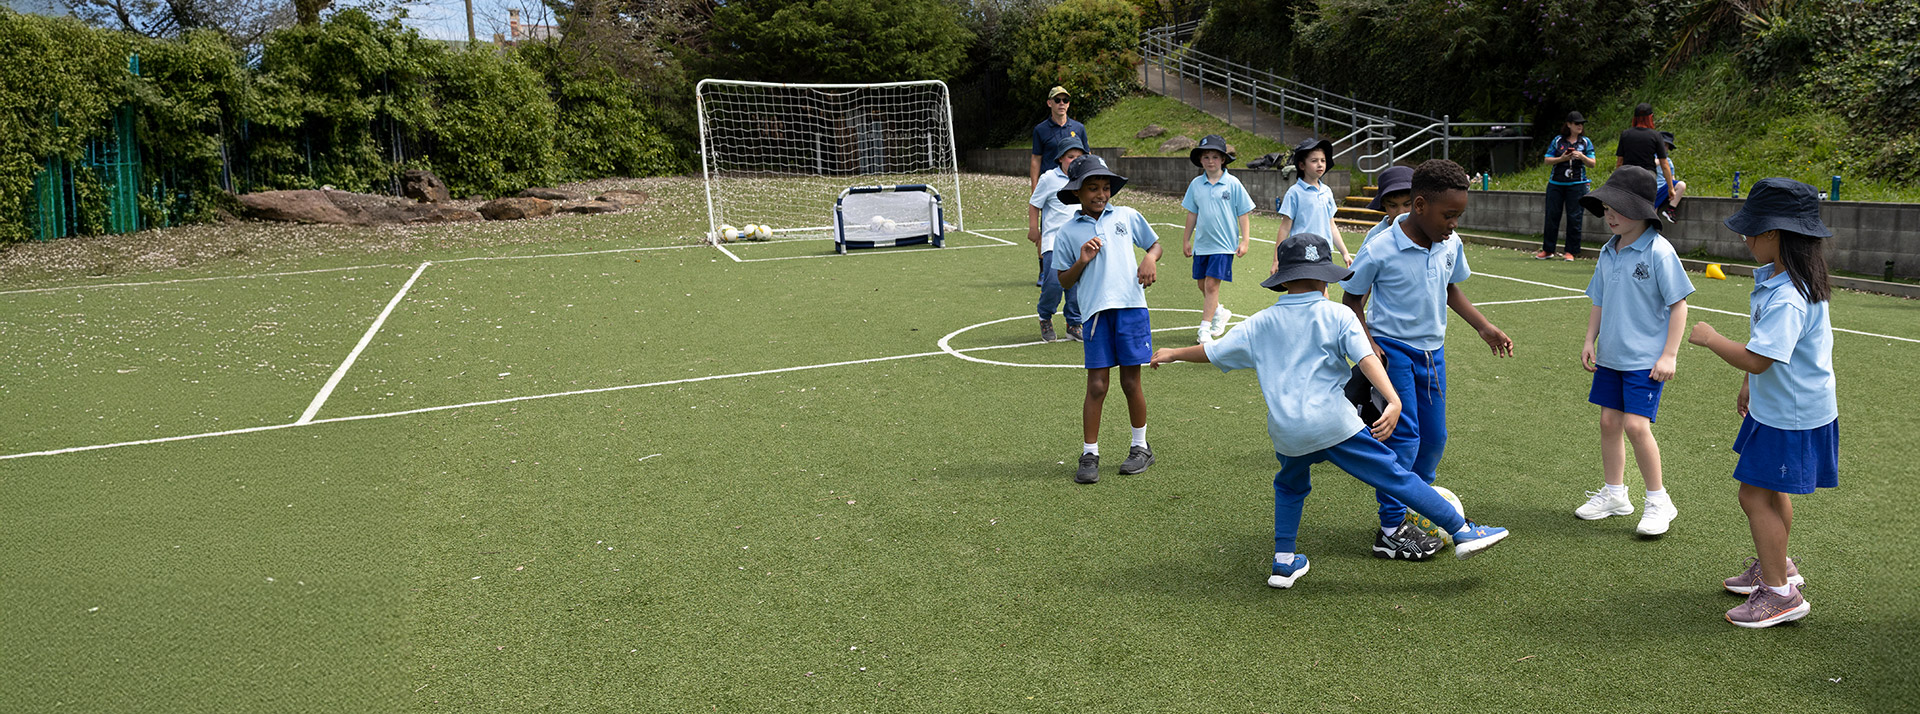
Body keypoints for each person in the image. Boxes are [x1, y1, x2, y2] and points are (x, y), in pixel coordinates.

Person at [1148, 233, 1511, 588]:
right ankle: (1463, 531)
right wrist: (1395, 400)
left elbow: (1212, 352)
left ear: (1283, 280)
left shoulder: (1260, 323)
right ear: (1326, 278)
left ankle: (1284, 563)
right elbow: (1367, 359)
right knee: (1395, 476)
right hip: (1334, 426)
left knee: (1290, 487)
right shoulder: (1338, 315)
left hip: (1288, 432)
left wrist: (1173, 353)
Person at [1339, 159, 1515, 560]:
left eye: (1459, 215)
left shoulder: (1451, 243)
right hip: (1392, 351)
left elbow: (1451, 290)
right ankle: (1390, 527)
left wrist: (1484, 327)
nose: (1454, 223)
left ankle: (1418, 508)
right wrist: (1369, 344)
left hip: (1433, 354)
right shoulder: (1381, 247)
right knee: (1405, 438)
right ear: (1419, 205)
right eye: (1448, 215)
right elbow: (1352, 299)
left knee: (1435, 438)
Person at [1686, 178, 1837, 628]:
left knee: (1754, 495)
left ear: (1773, 234)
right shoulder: (1784, 280)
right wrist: (1751, 386)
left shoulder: (1789, 296)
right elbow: (1772, 356)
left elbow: (1758, 357)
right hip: (1782, 408)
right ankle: (1778, 564)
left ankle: (1778, 593)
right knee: (1770, 492)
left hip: (1790, 417)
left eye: (1750, 230)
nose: (1744, 237)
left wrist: (1712, 340)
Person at [1571, 165, 1694, 536]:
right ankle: (1615, 495)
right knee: (1609, 422)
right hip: (1611, 356)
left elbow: (1679, 304)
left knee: (1636, 426)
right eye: (1606, 207)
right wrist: (1590, 339)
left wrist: (1669, 354)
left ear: (1642, 211)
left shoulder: (1659, 250)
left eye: (1617, 208)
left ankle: (1659, 501)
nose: (1609, 214)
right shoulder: (1608, 251)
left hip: (1645, 361)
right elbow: (1600, 300)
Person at [1054, 154, 1163, 484]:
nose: (1100, 194)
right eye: (1092, 188)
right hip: (1096, 316)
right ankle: (1089, 454)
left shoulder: (1127, 216)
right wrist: (1082, 260)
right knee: (1097, 385)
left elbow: (1155, 244)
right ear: (1077, 193)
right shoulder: (1068, 232)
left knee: (1131, 382)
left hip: (1132, 309)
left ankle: (1141, 447)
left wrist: (1149, 258)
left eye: (1105, 187)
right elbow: (1063, 280)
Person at [1179, 135, 1254, 344]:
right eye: (1206, 157)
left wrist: (1245, 240)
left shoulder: (1233, 183)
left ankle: (1204, 328)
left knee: (1212, 285)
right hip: (1202, 245)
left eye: (1215, 156)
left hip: (1224, 245)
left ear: (1223, 159)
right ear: (1200, 160)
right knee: (1202, 285)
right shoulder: (1196, 184)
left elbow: (1243, 213)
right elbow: (1192, 213)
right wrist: (1186, 239)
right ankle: (1220, 312)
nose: (1210, 161)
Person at [1029, 136, 1087, 342]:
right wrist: (1034, 229)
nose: (1075, 160)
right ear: (1061, 158)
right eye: (1070, 157)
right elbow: (1035, 203)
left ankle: (1074, 323)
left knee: (1077, 285)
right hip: (1053, 240)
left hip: (1079, 242)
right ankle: (1045, 316)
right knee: (1053, 282)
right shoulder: (1048, 179)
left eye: (1079, 157)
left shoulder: (1086, 177)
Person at [1271, 137, 1350, 273]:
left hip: (1324, 252)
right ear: (1302, 165)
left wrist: (1345, 253)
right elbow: (1284, 228)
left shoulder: (1327, 192)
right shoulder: (1294, 193)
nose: (1320, 164)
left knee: (1321, 292)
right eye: (1314, 161)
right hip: (1301, 252)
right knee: (1306, 290)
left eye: (1323, 160)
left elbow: (1332, 226)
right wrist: (1276, 260)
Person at [1539, 111, 1596, 261]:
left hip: (1577, 184)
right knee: (1552, 216)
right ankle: (1548, 249)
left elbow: (1592, 164)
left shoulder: (1585, 142)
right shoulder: (1558, 141)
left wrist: (1582, 156)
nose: (1580, 126)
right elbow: (1547, 160)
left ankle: (1571, 251)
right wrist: (1562, 158)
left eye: (1581, 124)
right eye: (1577, 123)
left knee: (1575, 218)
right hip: (1556, 184)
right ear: (1569, 124)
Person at [1030, 86, 1088, 189]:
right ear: (1049, 103)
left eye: (1065, 100)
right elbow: (1036, 159)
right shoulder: (1040, 130)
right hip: (1050, 184)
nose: (1061, 103)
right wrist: (1034, 189)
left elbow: (1087, 156)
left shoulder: (1079, 128)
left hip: (1074, 182)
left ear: (1068, 104)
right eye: (1057, 100)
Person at [1615, 103, 1675, 195]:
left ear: (1635, 118)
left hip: (1628, 175)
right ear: (1651, 117)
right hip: (1647, 176)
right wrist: (1671, 188)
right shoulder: (1655, 136)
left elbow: (1620, 162)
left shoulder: (1625, 134)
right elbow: (1664, 164)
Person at [1362, 165, 1415, 245]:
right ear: (1383, 203)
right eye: (1393, 205)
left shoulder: (1428, 231)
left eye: (1407, 204)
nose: (1401, 212)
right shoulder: (1375, 236)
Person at [1655, 131, 1687, 223]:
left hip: (1664, 188)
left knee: (1681, 185)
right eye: (1661, 145)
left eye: (1665, 146)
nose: (1663, 148)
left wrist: (1672, 190)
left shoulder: (1668, 161)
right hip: (1652, 190)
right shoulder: (1651, 157)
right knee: (1653, 212)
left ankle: (1670, 210)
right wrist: (1659, 161)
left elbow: (1671, 177)